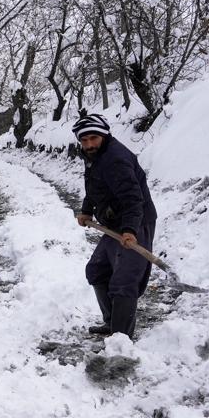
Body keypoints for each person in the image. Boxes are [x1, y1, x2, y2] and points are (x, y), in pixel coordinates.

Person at [73, 112, 158, 339]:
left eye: (93, 138)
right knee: (98, 270)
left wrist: (130, 230)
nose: (89, 144)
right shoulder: (95, 156)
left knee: (124, 280)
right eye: (84, 140)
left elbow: (133, 198)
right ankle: (112, 324)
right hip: (115, 223)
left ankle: (121, 338)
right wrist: (87, 210)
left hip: (136, 221)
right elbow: (94, 187)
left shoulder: (115, 159)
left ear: (104, 135)